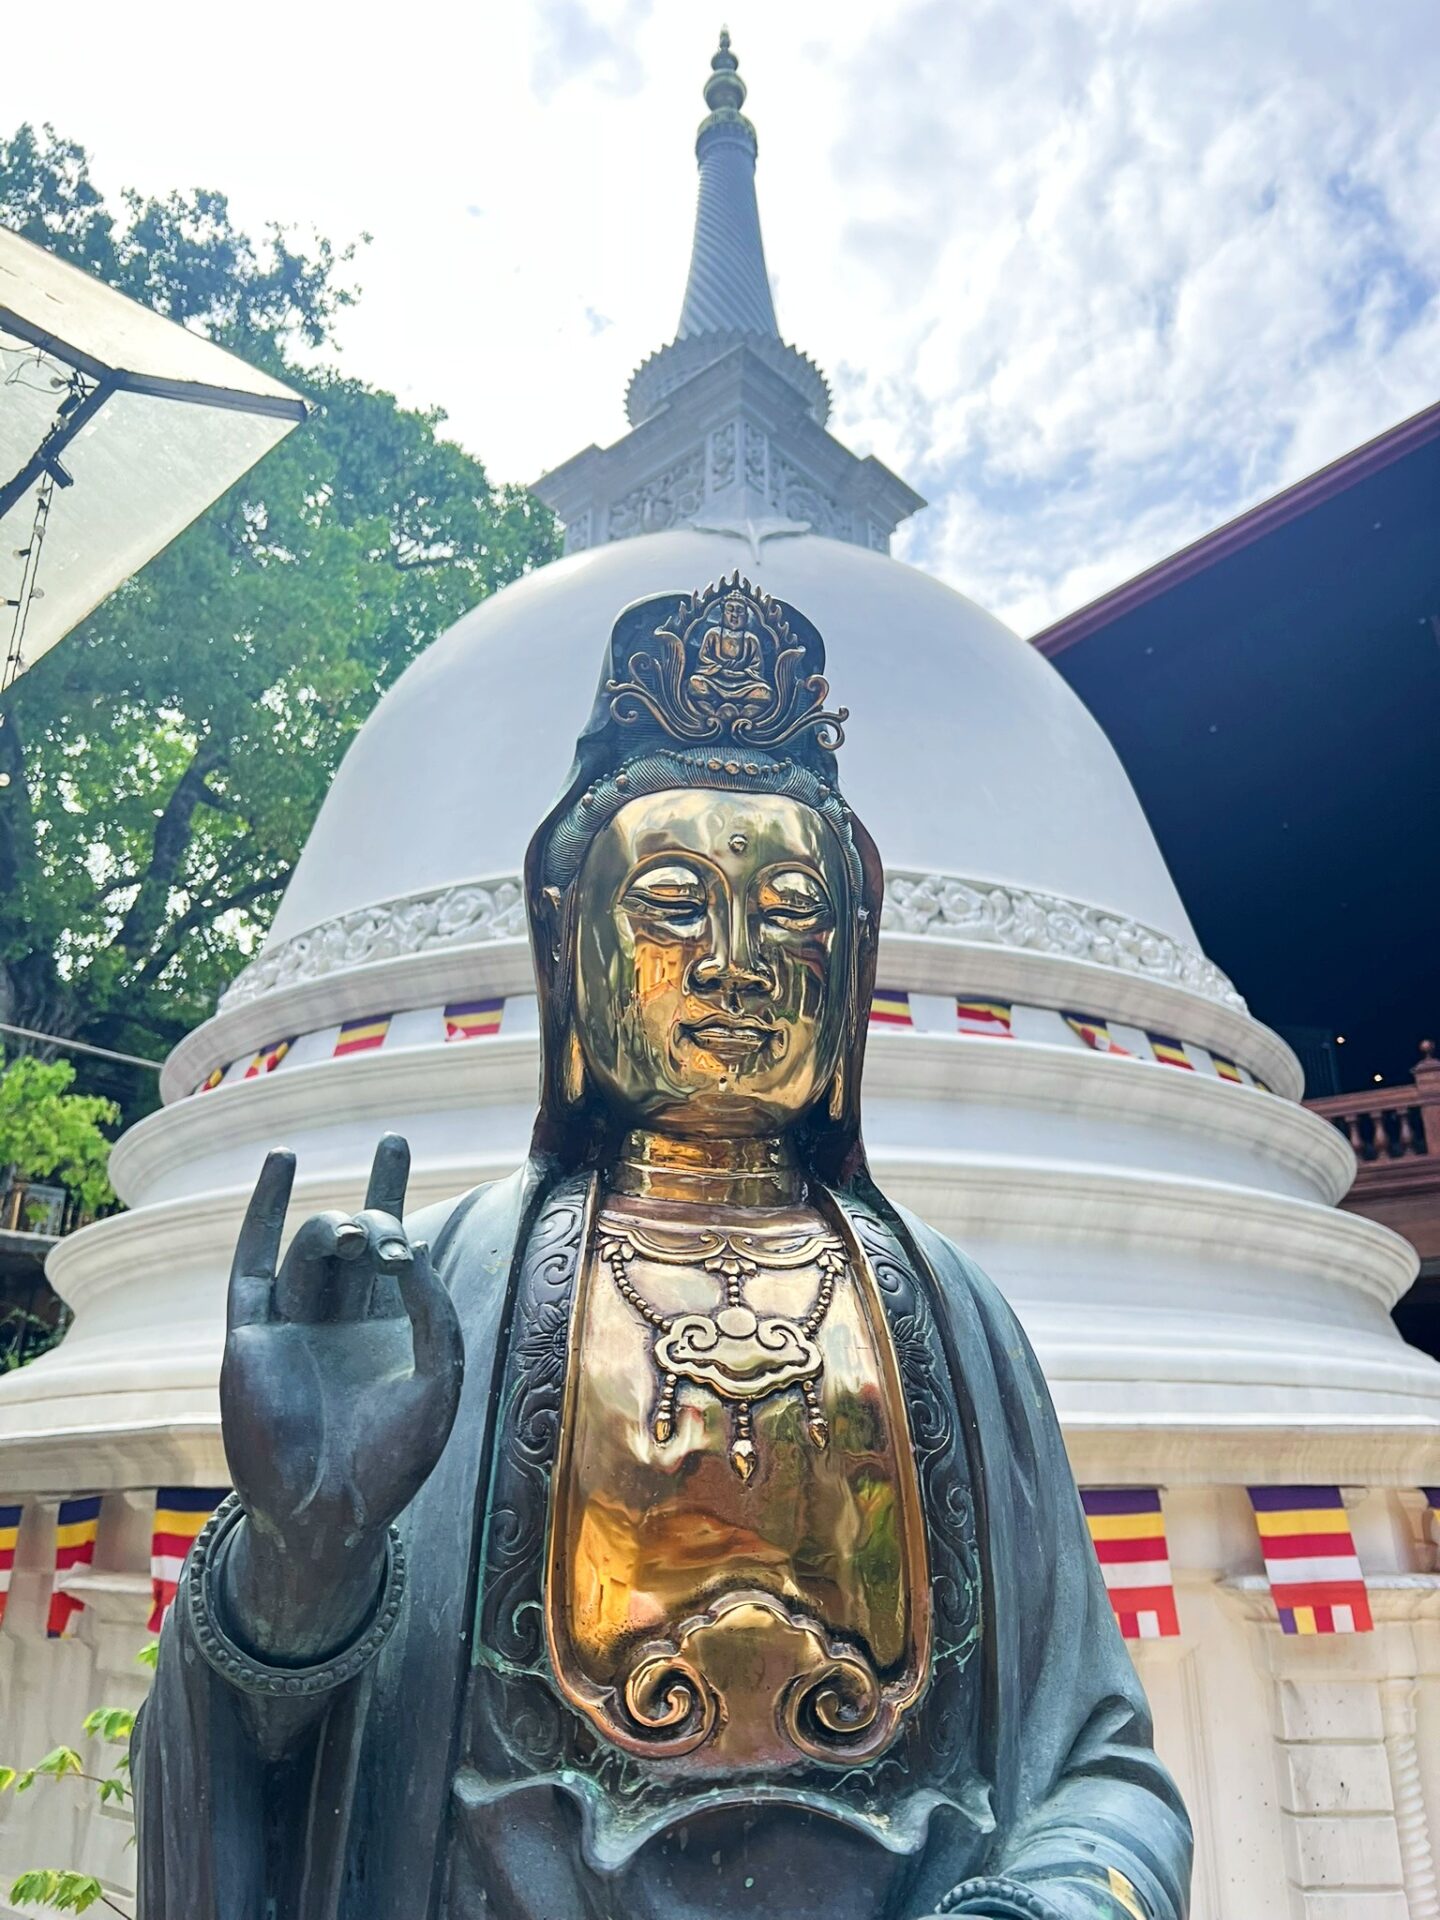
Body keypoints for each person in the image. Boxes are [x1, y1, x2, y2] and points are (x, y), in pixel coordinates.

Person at [135, 576, 1192, 1920]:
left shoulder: (944, 1313)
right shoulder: (442, 1300)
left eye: (794, 908)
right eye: (679, 902)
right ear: (571, 956)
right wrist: (304, 1558)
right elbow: (274, 1765)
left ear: (849, 961)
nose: (737, 962)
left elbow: (1101, 1769)